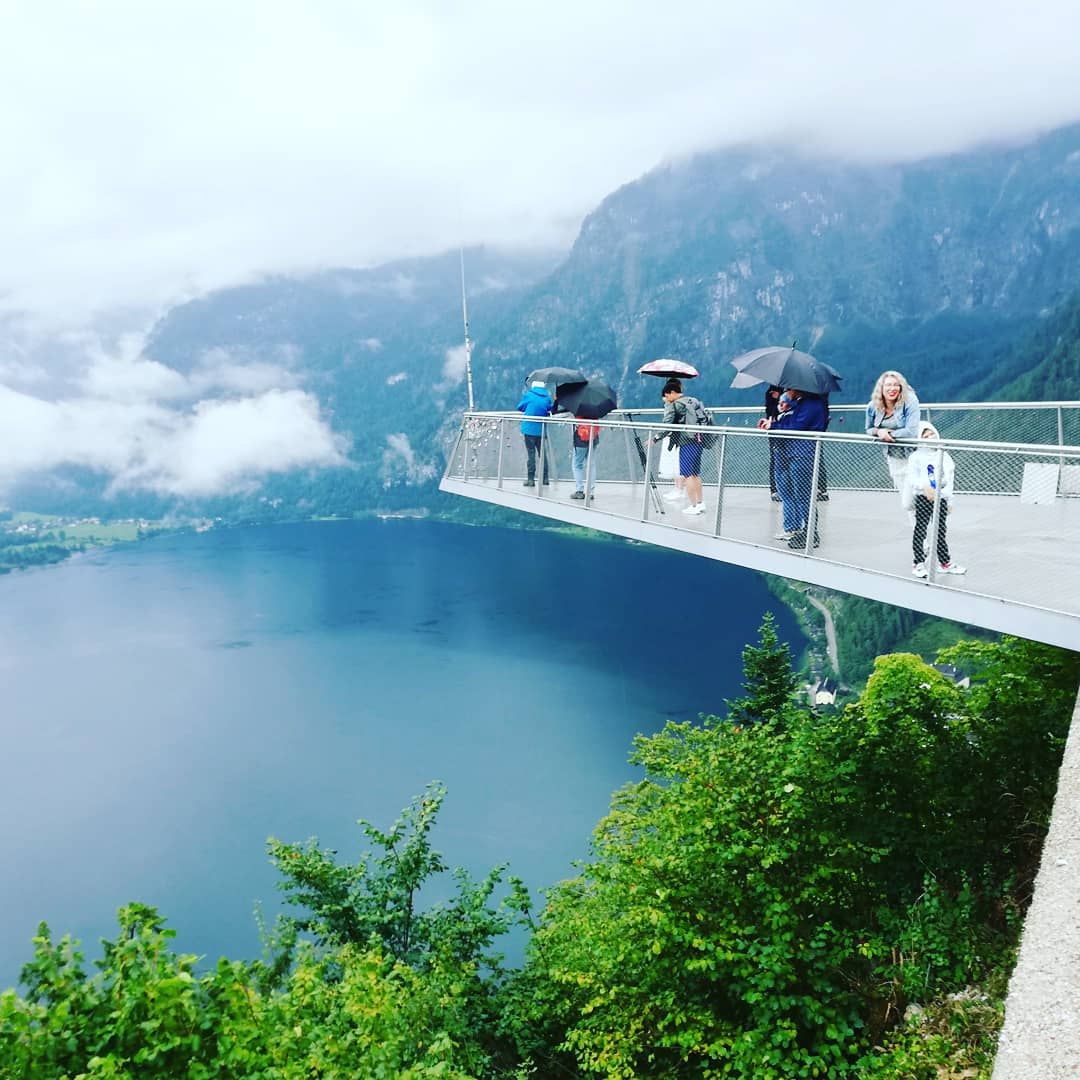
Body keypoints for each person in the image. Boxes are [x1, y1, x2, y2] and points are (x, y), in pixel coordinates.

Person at [758, 388, 828, 548]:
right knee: (800, 494)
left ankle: (811, 533)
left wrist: (773, 427)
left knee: (804, 496)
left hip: (802, 453)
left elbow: (796, 427)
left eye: (789, 389)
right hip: (795, 452)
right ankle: (806, 531)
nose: (787, 391)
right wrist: (773, 424)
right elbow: (791, 423)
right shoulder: (803, 403)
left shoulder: (811, 405)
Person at [902, 421, 966, 578]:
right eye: (925, 435)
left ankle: (944, 563)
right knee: (921, 529)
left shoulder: (944, 455)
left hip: (941, 496)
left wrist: (949, 499)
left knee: (940, 530)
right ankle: (918, 563)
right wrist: (924, 487)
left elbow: (949, 479)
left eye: (931, 433)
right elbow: (912, 478)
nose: (930, 437)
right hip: (924, 497)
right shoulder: (916, 457)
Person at [656, 378, 707, 516]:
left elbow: (668, 424)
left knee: (687, 474)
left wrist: (656, 438)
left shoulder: (675, 405)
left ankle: (693, 505)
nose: (666, 399)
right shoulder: (692, 400)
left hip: (686, 442)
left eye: (667, 396)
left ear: (672, 392)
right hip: (699, 440)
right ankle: (701, 503)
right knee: (696, 474)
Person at [866, 370, 921, 491]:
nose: (892, 388)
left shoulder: (910, 401)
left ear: (901, 387)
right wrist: (879, 432)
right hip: (893, 455)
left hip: (914, 453)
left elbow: (912, 431)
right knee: (905, 495)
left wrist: (888, 434)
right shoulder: (873, 406)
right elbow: (869, 429)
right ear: (881, 388)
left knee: (916, 494)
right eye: (888, 385)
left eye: (896, 385)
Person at [516, 380, 553, 486]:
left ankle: (531, 479)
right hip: (541, 430)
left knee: (531, 454)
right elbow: (549, 409)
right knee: (543, 454)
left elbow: (520, 407)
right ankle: (545, 478)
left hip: (528, 429)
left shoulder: (529, 395)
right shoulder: (547, 398)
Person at [571, 416, 599, 500]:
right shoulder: (595, 408)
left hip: (581, 439)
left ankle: (579, 491)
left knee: (577, 465)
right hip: (593, 437)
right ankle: (590, 492)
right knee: (591, 464)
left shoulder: (579, 409)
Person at [765, 385, 782, 501]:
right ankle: (774, 489)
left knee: (780, 458)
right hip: (774, 429)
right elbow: (770, 411)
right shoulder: (770, 393)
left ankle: (778, 488)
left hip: (783, 428)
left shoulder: (787, 391)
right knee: (775, 458)